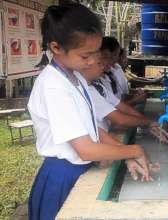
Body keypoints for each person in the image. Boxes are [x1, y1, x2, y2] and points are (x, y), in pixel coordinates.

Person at [28, 4, 151, 220]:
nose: (94, 61)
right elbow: (86, 149)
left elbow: (93, 131)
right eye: (86, 56)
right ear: (56, 48)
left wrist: (124, 152)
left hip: (77, 170)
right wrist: (134, 150)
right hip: (61, 176)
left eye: (96, 52)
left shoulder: (76, 78)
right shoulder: (54, 86)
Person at [100, 36, 147, 107]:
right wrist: (135, 100)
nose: (110, 60)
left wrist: (135, 96)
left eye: (109, 57)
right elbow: (113, 111)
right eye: (105, 57)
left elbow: (120, 98)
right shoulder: (96, 84)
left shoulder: (109, 74)